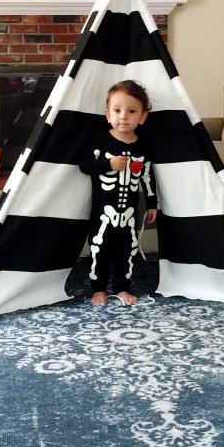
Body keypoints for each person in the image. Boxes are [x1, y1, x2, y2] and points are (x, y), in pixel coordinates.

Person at [79, 80, 158, 306]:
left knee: (127, 250)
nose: (123, 116)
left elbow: (147, 176)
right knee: (99, 247)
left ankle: (122, 287)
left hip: (130, 213)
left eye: (131, 111)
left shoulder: (143, 146)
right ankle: (98, 288)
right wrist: (108, 164)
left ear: (142, 117)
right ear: (108, 114)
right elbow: (84, 165)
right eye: (117, 110)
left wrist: (152, 203)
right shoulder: (100, 140)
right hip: (103, 212)